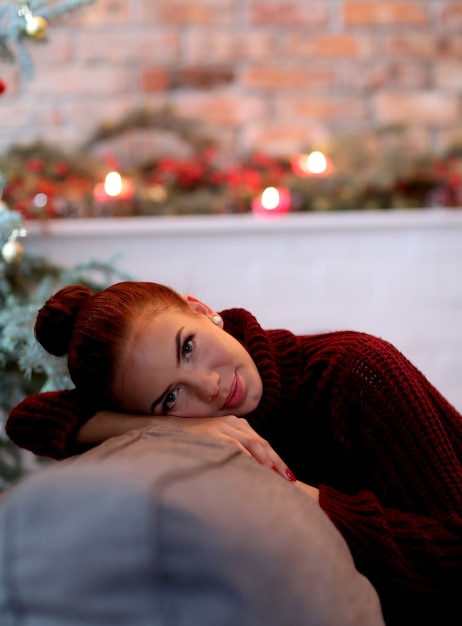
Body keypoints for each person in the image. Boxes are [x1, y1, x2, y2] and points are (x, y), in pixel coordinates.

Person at [6, 280, 462, 626]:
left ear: (203, 311)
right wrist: (149, 424)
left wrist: (302, 497)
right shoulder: (200, 420)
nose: (210, 387)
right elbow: (28, 419)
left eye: (188, 348)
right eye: (170, 397)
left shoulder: (356, 370)